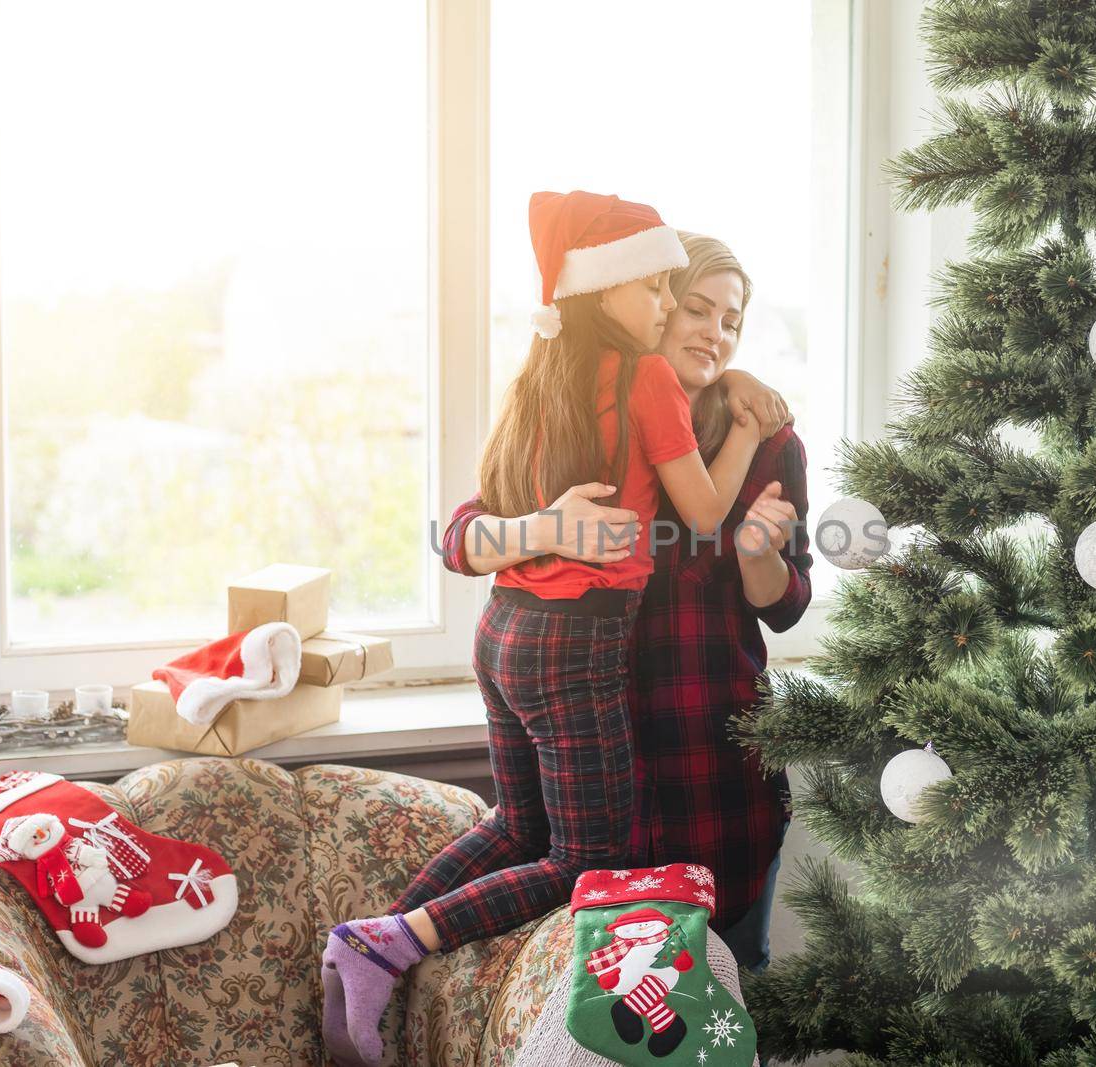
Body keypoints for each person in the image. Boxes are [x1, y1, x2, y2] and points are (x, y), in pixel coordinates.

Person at [321, 192, 765, 1067]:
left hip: (503, 633)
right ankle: (388, 944)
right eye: (658, 293)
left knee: (521, 824)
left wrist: (538, 532)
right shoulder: (646, 380)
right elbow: (706, 515)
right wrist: (745, 435)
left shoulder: (538, 379)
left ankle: (371, 951)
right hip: (576, 642)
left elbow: (471, 520)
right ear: (607, 292)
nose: (672, 311)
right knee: (586, 859)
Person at [441, 232, 810, 974]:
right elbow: (459, 538)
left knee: (730, 1024)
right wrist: (542, 529)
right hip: (598, 791)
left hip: (716, 792)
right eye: (695, 308)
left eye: (731, 320)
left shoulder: (769, 442)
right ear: (657, 310)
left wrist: (757, 552)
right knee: (601, 1029)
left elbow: (787, 605)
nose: (713, 330)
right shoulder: (586, 415)